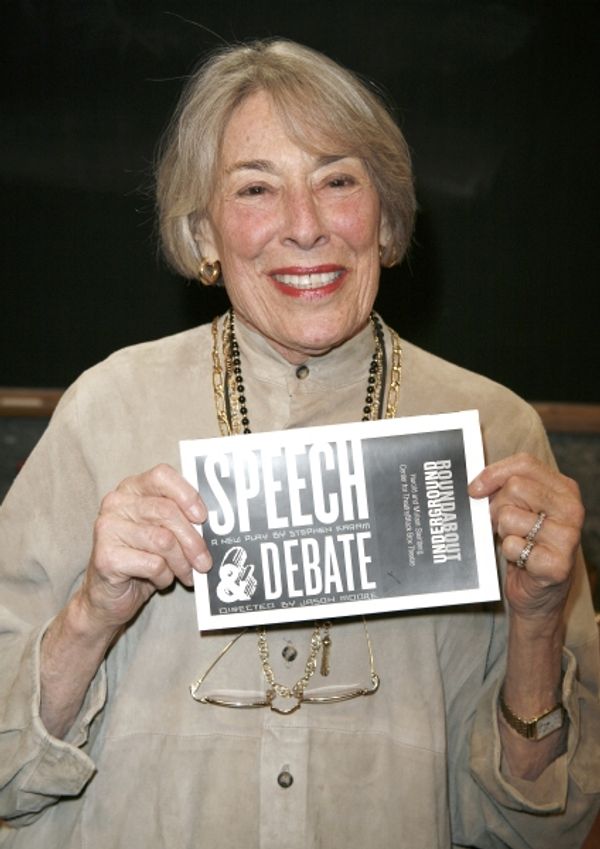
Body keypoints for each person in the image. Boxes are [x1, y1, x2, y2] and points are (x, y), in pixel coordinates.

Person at [0, 39, 599, 849]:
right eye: (256, 189)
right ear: (204, 232)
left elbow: (545, 829)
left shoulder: (495, 435)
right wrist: (90, 613)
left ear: (384, 215)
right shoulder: (105, 410)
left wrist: (535, 625)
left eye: (337, 180)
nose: (305, 227)